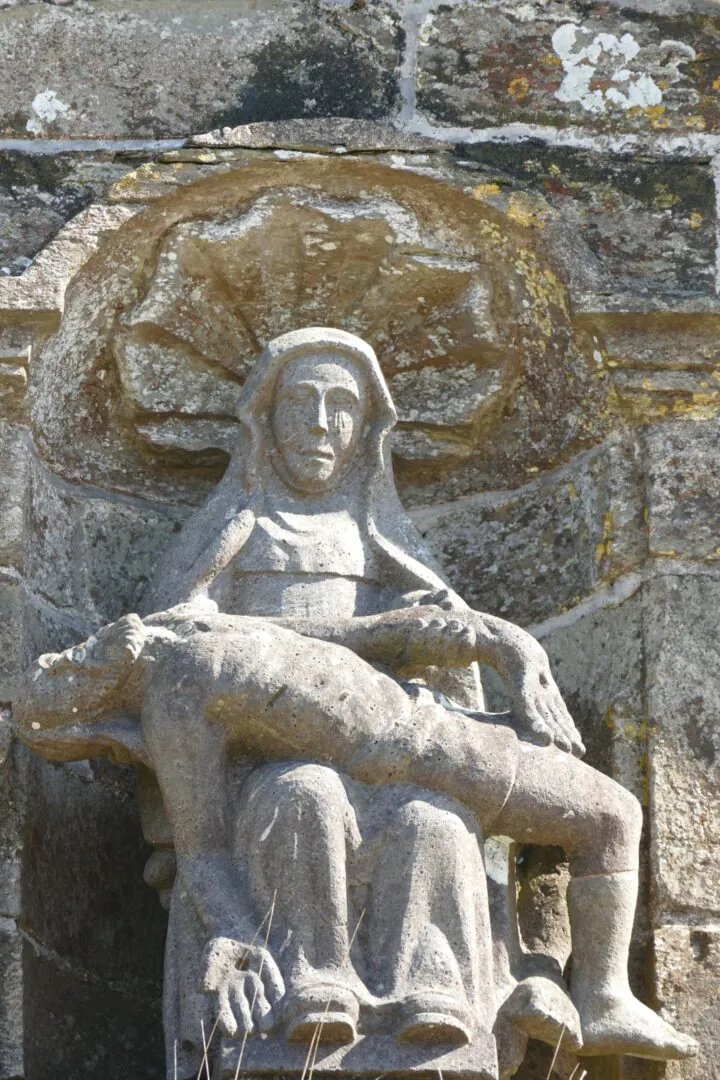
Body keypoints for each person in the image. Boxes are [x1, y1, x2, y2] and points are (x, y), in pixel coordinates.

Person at [15, 329, 697, 1075]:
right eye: (300, 402)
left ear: (369, 428)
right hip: (270, 770)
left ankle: (445, 999)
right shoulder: (229, 540)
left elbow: (453, 673)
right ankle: (314, 985)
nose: (319, 423)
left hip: (401, 752)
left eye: (342, 405)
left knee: (432, 821)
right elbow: (187, 663)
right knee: (302, 793)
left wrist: (494, 648)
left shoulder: (383, 543)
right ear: (265, 421)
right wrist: (382, 636)